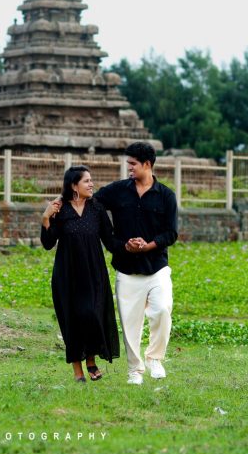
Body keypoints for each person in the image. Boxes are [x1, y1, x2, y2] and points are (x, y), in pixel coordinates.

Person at [94, 142, 178, 386]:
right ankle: (134, 371)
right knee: (130, 325)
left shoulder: (166, 196)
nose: (129, 167)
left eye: (133, 164)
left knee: (162, 310)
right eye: (128, 163)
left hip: (156, 267)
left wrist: (148, 245)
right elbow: (93, 203)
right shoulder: (117, 191)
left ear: (147, 164)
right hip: (126, 269)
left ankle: (155, 358)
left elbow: (171, 233)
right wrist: (118, 243)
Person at [41, 165, 121, 383]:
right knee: (72, 320)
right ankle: (78, 371)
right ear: (74, 186)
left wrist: (130, 246)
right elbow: (48, 243)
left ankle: (91, 360)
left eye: (91, 180)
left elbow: (110, 240)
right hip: (67, 275)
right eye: (87, 181)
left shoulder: (97, 208)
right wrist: (46, 218)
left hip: (94, 273)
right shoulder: (61, 209)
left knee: (92, 314)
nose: (91, 184)